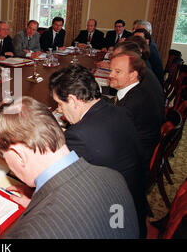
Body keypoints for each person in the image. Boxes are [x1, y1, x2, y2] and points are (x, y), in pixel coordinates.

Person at [0, 96, 139, 239]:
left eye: (4, 156)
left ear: (18, 154)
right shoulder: (113, 177)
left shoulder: (33, 232)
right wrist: (38, 204)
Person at [49, 64, 148, 238]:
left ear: (72, 100)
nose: (58, 110)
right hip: (134, 208)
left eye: (59, 103)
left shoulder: (79, 136)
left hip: (113, 223)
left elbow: (54, 184)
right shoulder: (118, 111)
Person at [109, 51, 165, 179]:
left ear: (133, 75)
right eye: (111, 70)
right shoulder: (138, 90)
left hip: (132, 165)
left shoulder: (130, 106)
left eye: (117, 72)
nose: (110, 75)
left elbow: (113, 141)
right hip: (137, 149)